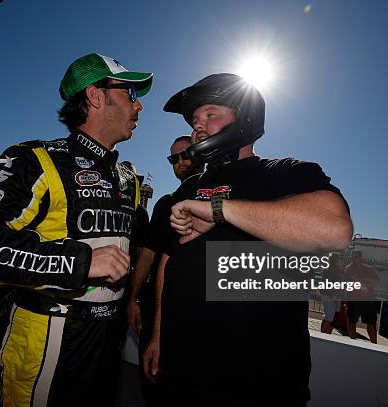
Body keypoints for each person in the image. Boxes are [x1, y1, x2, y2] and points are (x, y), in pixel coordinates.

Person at [0, 53, 152, 407]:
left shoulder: (128, 178)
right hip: (48, 335)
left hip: (107, 340)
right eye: (131, 92)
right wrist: (79, 263)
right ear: (96, 97)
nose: (139, 106)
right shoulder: (35, 159)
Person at [143, 73, 353, 405]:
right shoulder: (185, 188)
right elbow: (168, 262)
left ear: (246, 119)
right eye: (195, 120)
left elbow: (335, 229)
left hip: (259, 381)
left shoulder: (284, 172)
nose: (199, 126)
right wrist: (157, 334)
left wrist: (219, 209)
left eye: (211, 114)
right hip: (181, 373)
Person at [125, 135, 201, 402]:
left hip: (198, 315)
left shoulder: (221, 197)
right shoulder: (166, 203)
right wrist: (133, 298)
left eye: (185, 154)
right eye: (173, 158)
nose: (179, 161)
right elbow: (149, 252)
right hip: (157, 306)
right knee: (154, 382)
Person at [346, 250, 380, 344]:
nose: (353, 259)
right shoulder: (348, 268)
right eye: (352, 257)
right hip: (353, 299)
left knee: (371, 322)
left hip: (368, 299)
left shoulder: (368, 269)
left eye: (355, 257)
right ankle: (352, 342)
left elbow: (377, 281)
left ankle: (374, 345)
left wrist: (363, 280)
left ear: (360, 258)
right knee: (352, 321)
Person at [320, 251, 345, 334]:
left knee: (334, 317)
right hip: (329, 296)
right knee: (329, 317)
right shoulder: (328, 270)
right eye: (339, 259)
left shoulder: (339, 270)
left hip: (336, 296)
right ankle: (323, 334)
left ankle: (328, 333)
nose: (341, 260)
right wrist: (332, 294)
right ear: (335, 260)